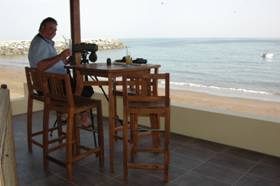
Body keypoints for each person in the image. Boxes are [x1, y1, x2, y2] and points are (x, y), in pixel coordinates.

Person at [28, 17, 90, 126]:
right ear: (42, 28)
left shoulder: (44, 42)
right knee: (86, 89)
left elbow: (48, 62)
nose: (54, 32)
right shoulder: (39, 43)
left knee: (82, 88)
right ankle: (73, 114)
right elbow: (40, 66)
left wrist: (64, 62)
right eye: (51, 28)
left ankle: (70, 113)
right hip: (52, 87)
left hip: (51, 83)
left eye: (55, 30)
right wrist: (60, 56)